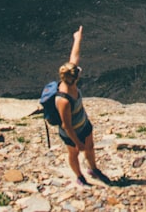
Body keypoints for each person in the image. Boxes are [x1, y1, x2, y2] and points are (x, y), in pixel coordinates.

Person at [55, 26, 111, 186]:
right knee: (73, 154)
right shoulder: (64, 99)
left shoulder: (69, 79)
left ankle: (93, 168)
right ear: (74, 78)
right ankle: (79, 176)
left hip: (83, 124)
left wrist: (77, 38)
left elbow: (74, 56)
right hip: (72, 132)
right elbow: (66, 125)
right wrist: (76, 142)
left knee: (90, 147)